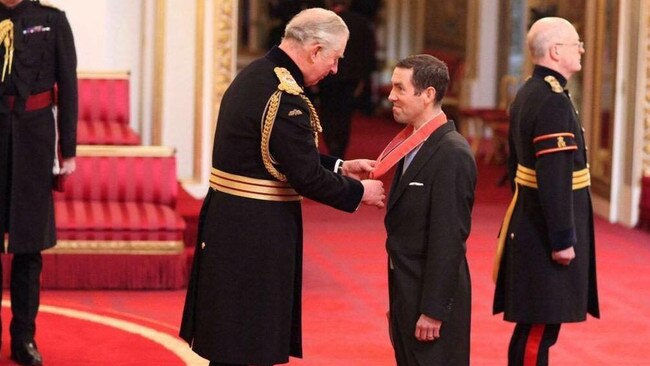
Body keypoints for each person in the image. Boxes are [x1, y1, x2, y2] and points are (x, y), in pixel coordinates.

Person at [179, 7, 385, 366]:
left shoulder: (258, 75)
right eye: (335, 59)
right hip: (256, 232)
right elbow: (305, 176)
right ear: (316, 50)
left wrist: (339, 165)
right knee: (249, 341)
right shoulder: (285, 94)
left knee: (233, 337)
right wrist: (359, 193)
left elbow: (281, 152)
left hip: (233, 222)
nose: (335, 69)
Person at [492, 17, 600, 366]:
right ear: (555, 51)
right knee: (539, 328)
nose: (581, 49)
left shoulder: (531, 91)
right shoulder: (551, 100)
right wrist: (562, 239)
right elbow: (554, 177)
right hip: (543, 231)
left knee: (536, 326)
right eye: (575, 43)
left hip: (529, 219)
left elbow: (516, 169)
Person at [374, 54, 476, 365]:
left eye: (399, 88)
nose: (391, 96)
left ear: (428, 94)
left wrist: (433, 309)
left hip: (431, 305)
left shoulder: (452, 153)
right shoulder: (415, 144)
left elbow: (448, 238)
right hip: (407, 292)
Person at [0, 0, 78, 365]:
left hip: (35, 138)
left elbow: (69, 84)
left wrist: (69, 149)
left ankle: (24, 338)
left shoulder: (52, 20)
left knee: (29, 246)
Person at [318, 0, 376, 158]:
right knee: (345, 114)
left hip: (327, 76)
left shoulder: (323, 23)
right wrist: (363, 79)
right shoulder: (362, 23)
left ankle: (331, 145)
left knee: (328, 111)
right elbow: (368, 53)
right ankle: (339, 150)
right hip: (351, 78)